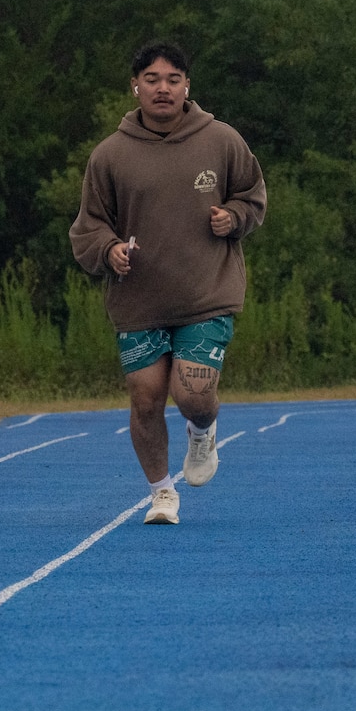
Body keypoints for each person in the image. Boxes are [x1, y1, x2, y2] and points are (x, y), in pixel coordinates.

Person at [69, 42, 267, 526]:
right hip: (139, 300)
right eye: (152, 79)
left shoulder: (221, 140)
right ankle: (161, 493)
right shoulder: (109, 155)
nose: (163, 88)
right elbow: (88, 227)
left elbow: (254, 198)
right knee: (146, 397)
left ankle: (203, 428)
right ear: (135, 86)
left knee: (193, 393)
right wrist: (109, 249)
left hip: (205, 293)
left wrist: (234, 217)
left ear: (187, 86)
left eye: (173, 79)